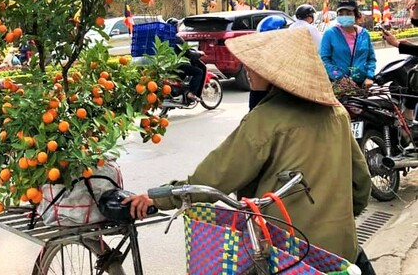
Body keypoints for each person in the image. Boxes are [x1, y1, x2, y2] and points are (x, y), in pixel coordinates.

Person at [123, 27, 372, 269]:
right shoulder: (337, 113)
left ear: (276, 72)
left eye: (256, 66)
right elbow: (361, 184)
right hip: (341, 252)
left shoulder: (266, 119)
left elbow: (214, 178)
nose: (249, 71)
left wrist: (159, 197)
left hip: (289, 251)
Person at [320, 0, 376, 87]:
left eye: (348, 13)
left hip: (362, 84)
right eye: (341, 14)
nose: (344, 16)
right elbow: (324, 59)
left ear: (356, 15)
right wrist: (338, 77)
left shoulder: (364, 34)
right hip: (339, 85)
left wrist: (369, 76)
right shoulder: (330, 34)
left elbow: (371, 59)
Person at [168, 18, 205, 102]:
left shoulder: (166, 38)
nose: (179, 27)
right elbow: (187, 52)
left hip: (168, 65)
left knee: (183, 75)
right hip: (178, 65)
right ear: (174, 27)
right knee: (199, 72)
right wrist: (199, 54)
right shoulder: (177, 38)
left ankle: (180, 93)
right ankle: (191, 93)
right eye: (177, 25)